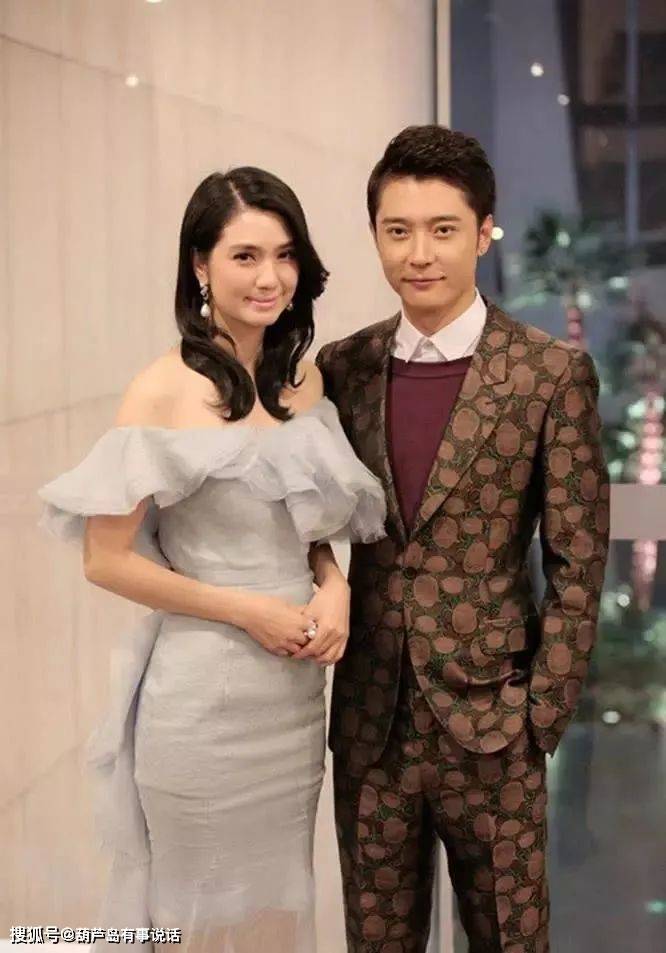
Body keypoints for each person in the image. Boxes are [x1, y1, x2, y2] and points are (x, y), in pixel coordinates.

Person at [38, 167, 387, 953]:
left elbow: (307, 524)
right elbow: (105, 559)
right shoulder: (160, 390)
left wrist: (333, 584)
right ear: (200, 263)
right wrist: (248, 609)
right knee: (199, 923)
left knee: (276, 915)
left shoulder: (303, 381)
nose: (270, 278)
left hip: (291, 704)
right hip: (202, 702)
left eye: (286, 255)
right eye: (245, 256)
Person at [316, 126, 610, 953]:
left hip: (495, 725)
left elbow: (579, 560)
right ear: (376, 235)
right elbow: (308, 516)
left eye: (443, 229)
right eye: (398, 230)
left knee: (512, 940)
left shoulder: (548, 373)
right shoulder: (343, 368)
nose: (419, 253)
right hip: (372, 726)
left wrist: (538, 716)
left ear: (483, 233)